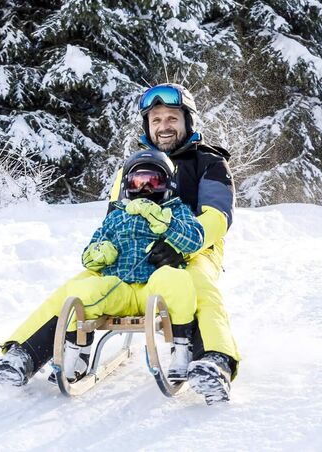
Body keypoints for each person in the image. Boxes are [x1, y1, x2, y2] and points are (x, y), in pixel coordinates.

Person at [0, 150, 204, 389]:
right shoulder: (116, 217)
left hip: (154, 289)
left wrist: (166, 222)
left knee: (177, 280)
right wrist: (99, 253)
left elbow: (196, 239)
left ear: (167, 185)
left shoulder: (177, 211)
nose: (145, 189)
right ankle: (78, 352)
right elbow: (89, 253)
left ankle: (182, 350)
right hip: (119, 288)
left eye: (153, 182)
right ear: (128, 186)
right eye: (138, 182)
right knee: (83, 291)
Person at [108, 82, 240, 404]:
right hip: (139, 250)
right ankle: (34, 351)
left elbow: (217, 217)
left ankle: (216, 361)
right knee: (89, 283)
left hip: (198, 248)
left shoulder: (209, 162)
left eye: (171, 119)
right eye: (156, 120)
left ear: (187, 122)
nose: (163, 126)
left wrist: (181, 245)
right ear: (147, 126)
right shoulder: (134, 166)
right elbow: (113, 214)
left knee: (198, 285)